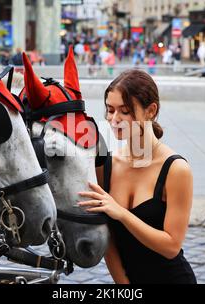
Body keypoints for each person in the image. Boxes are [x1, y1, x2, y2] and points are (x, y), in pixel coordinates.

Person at [79, 69, 197, 284]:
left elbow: (171, 247)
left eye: (124, 111)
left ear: (151, 110)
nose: (114, 119)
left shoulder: (176, 169)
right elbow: (109, 241)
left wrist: (122, 214)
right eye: (110, 110)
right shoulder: (106, 166)